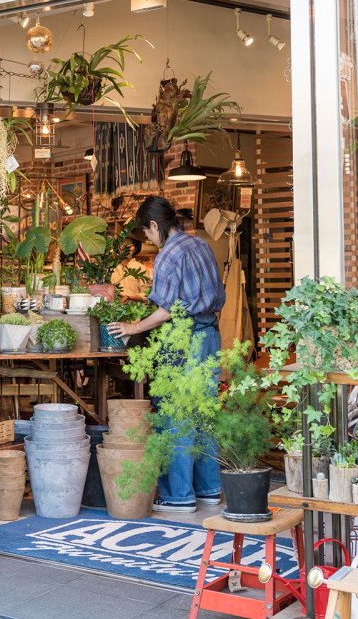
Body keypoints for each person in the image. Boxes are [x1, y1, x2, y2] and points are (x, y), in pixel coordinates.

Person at [107, 196, 225, 513]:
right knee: (203, 415)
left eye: (146, 233)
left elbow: (165, 311)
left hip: (186, 339)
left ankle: (178, 495)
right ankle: (209, 489)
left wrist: (132, 328)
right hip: (211, 336)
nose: (147, 239)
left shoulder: (168, 255)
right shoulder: (200, 245)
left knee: (175, 415)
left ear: (156, 226)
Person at [110, 237, 152, 301]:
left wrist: (130, 298)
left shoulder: (141, 269)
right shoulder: (111, 268)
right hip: (112, 308)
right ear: (118, 248)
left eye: (130, 245)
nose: (127, 247)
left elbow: (147, 294)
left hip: (132, 308)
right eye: (123, 243)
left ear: (135, 249)